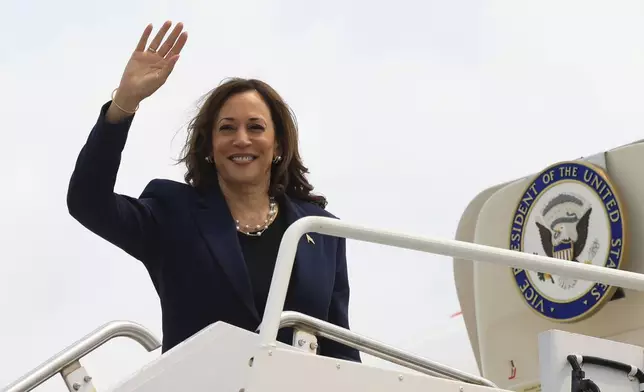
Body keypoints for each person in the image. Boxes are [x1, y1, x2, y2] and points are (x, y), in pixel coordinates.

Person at [66, 21, 361, 362]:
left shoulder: (321, 231)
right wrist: (124, 104)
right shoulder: (171, 212)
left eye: (255, 127)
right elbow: (87, 202)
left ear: (278, 144)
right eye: (227, 128)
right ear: (209, 146)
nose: (241, 139)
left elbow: (340, 350)